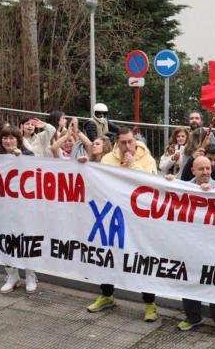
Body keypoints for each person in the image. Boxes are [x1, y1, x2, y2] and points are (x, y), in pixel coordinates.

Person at [87, 127, 159, 321]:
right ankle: (106, 295)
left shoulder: (147, 159)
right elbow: (99, 181)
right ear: (117, 143)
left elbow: (151, 183)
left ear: (135, 140)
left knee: (142, 258)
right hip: (113, 214)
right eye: (123, 143)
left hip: (139, 219)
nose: (127, 146)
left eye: (130, 142)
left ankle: (150, 303)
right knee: (109, 255)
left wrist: (133, 164)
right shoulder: (107, 159)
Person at [174, 156, 215, 336]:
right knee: (189, 281)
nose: (206, 172)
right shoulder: (182, 187)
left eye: (208, 168)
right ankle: (193, 317)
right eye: (201, 169)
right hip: (190, 244)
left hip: (213, 246)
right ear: (193, 171)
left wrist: (211, 195)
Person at [0, 127, 38, 293]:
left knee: (26, 239)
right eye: (5, 138)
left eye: (12, 138)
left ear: (18, 140)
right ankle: (12, 275)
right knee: (5, 239)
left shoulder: (28, 155)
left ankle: (30, 274)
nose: (8, 141)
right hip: (4, 207)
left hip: (24, 207)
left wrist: (20, 158)